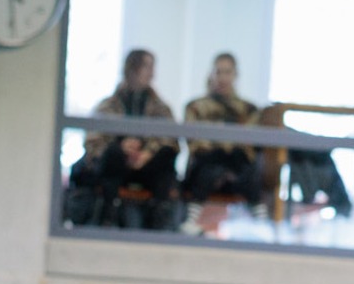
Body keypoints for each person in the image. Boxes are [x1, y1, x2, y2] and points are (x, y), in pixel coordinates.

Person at [71, 49, 177, 230]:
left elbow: (170, 140)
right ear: (132, 69)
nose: (152, 74)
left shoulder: (161, 108)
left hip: (147, 168)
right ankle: (108, 216)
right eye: (146, 67)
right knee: (112, 155)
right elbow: (93, 142)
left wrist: (147, 153)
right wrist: (121, 147)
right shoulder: (108, 106)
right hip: (117, 168)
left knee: (166, 157)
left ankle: (158, 221)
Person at [180, 53, 262, 227]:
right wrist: (222, 146)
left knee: (246, 167)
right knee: (209, 165)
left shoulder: (249, 110)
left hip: (238, 169)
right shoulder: (195, 107)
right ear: (211, 74)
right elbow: (194, 142)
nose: (223, 78)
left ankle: (261, 224)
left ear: (235, 75)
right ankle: (190, 223)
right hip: (206, 167)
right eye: (218, 72)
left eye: (227, 72)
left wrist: (225, 147)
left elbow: (248, 144)